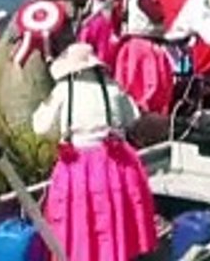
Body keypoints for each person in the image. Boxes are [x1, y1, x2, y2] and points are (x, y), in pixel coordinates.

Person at [32, 43, 158, 261]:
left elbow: (40, 127)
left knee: (80, 217)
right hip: (114, 161)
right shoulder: (111, 86)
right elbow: (133, 117)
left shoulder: (63, 90)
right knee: (114, 215)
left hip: (77, 163)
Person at [113, 0, 175, 114]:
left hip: (129, 43)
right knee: (151, 80)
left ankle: (130, 110)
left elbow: (118, 20)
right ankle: (147, 110)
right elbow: (157, 16)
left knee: (130, 80)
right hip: (144, 44)